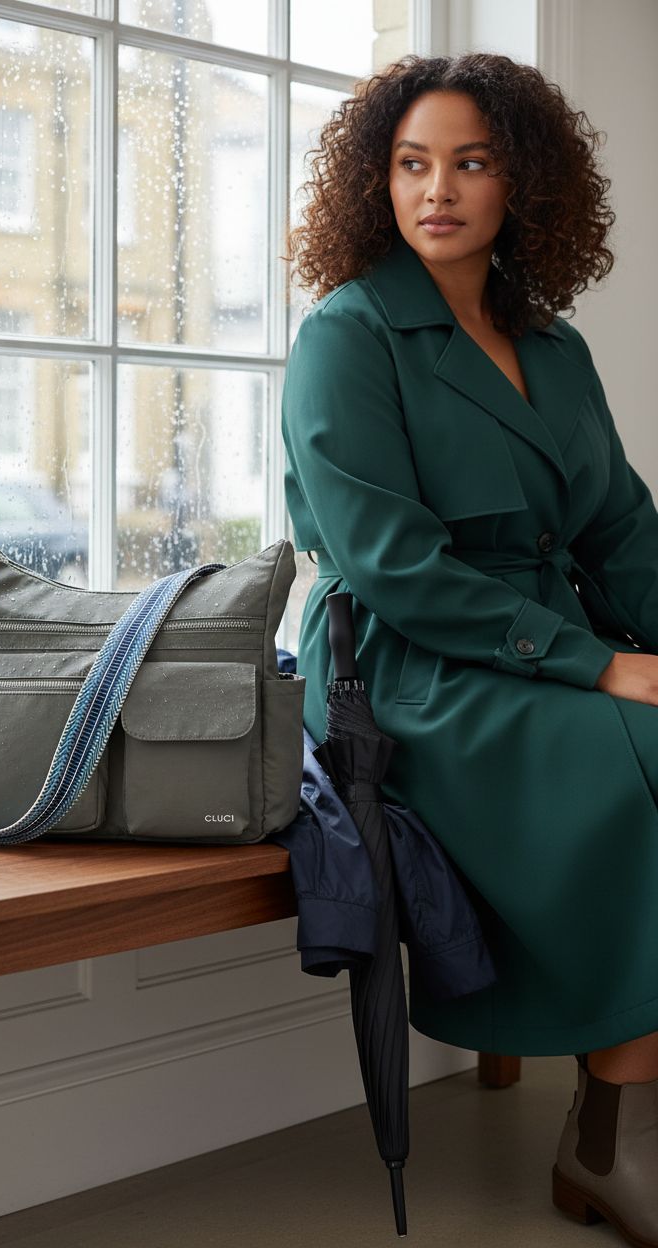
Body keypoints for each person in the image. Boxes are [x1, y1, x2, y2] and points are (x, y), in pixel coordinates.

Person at [280, 50, 658, 1244]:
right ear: (375, 184)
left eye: (469, 161)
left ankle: (620, 1112)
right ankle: (614, 1140)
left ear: (520, 186)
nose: (435, 188)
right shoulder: (347, 336)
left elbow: (620, 529)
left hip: (541, 642)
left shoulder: (553, 347)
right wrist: (599, 664)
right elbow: (393, 568)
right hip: (405, 670)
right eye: (409, 163)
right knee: (642, 757)